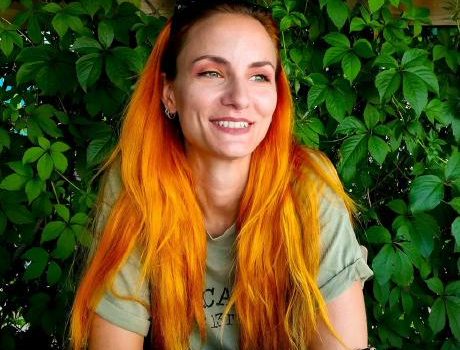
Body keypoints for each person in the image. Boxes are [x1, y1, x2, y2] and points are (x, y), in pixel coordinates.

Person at [70, 0, 373, 349]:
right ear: (170, 93)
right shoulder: (137, 184)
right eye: (212, 72)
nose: (239, 98)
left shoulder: (307, 186)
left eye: (259, 76)